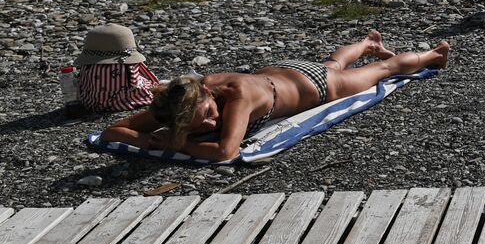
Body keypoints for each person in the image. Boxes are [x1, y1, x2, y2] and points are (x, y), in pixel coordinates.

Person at [99, 31, 448, 162]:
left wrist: (170, 143)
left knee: (382, 72)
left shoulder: (236, 98)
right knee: (335, 61)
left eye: (207, 113)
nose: (210, 121)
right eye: (198, 123)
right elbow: (113, 129)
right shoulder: (179, 100)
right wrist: (146, 137)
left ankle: (433, 54)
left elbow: (225, 152)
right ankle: (368, 44)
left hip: (314, 86)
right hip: (279, 71)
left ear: (208, 93)